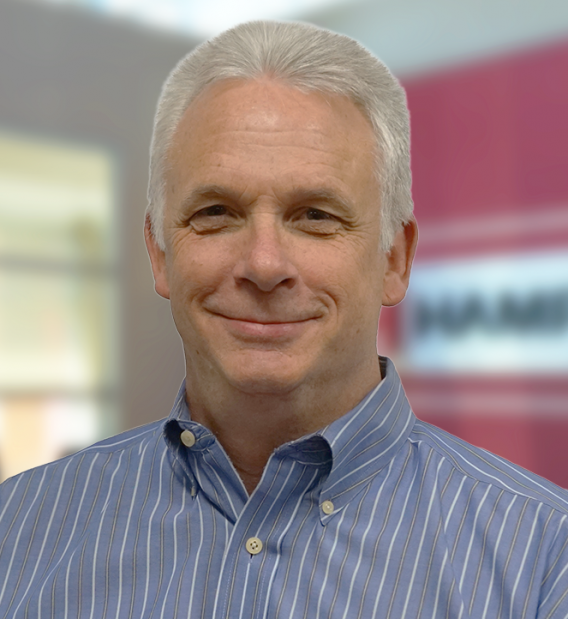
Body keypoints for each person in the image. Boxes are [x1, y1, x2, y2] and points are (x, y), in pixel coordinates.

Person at [1, 20, 567, 619]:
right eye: (216, 212)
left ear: (394, 260)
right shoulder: (19, 529)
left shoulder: (544, 561)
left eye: (316, 216)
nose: (264, 265)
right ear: (159, 253)